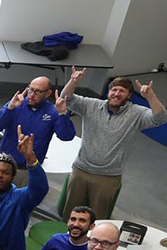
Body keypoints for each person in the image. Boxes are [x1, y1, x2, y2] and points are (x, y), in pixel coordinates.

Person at [60, 70, 167, 220]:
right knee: (72, 216)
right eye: (114, 90)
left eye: (122, 91)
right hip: (81, 170)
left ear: (129, 95)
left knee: (98, 220)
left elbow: (160, 118)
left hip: (108, 177)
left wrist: (151, 97)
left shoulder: (136, 113)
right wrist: (73, 81)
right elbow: (66, 99)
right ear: (109, 92)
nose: (117, 93)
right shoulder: (91, 105)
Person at [0, 78, 76, 186]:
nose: (32, 95)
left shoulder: (53, 112)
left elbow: (66, 136)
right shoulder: (16, 104)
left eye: (38, 91)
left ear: (48, 93)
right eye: (31, 89)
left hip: (29, 169)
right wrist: (10, 108)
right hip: (4, 164)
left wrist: (62, 114)